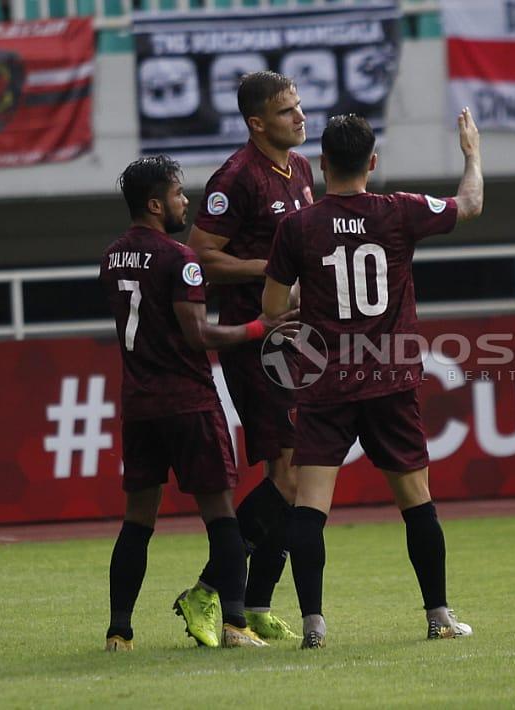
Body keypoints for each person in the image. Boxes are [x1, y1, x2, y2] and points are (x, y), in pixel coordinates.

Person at [261, 110, 484, 649]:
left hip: (325, 384)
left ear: (321, 164)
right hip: (390, 379)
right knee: (416, 500)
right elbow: (471, 204)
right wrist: (471, 154)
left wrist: (304, 297)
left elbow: (271, 311)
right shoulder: (399, 211)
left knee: (311, 504)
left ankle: (313, 625)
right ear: (373, 163)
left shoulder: (297, 226)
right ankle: (438, 616)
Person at [99, 155, 299, 651]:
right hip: (188, 402)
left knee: (137, 521)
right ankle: (233, 622)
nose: (184, 201)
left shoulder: (112, 256)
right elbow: (198, 333)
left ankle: (119, 632)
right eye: (177, 193)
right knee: (222, 518)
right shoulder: (179, 258)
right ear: (154, 203)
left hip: (139, 405)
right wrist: (260, 328)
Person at [176, 71, 314, 644]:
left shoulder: (301, 170)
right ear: (256, 123)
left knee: (298, 474)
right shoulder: (235, 178)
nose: (301, 118)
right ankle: (209, 592)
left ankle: (255, 604)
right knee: (287, 479)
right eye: (287, 112)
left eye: (300, 106)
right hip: (255, 342)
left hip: (297, 341)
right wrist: (271, 268)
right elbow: (200, 255)